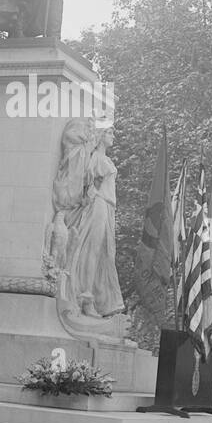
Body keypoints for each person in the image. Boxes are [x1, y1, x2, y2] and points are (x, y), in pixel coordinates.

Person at [65, 123, 124, 319]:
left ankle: (95, 298)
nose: (112, 135)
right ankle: (86, 297)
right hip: (99, 204)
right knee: (93, 249)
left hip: (106, 206)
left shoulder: (104, 159)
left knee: (103, 252)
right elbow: (90, 184)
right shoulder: (97, 159)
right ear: (99, 136)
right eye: (108, 132)